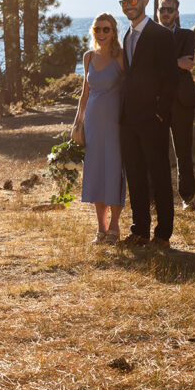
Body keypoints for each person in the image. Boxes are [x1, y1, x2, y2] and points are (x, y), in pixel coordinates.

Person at [117, 0, 177, 249]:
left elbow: (171, 80)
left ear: (144, 1)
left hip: (152, 119)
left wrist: (160, 115)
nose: (128, 5)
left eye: (133, 1)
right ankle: (139, 231)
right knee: (136, 175)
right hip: (128, 119)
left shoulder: (160, 35)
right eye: (124, 2)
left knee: (159, 176)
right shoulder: (126, 36)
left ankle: (163, 234)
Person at [73, 14, 126, 245]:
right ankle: (101, 227)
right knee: (95, 171)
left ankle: (115, 225)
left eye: (106, 29)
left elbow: (129, 89)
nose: (102, 34)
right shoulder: (88, 57)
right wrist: (77, 123)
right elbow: (84, 95)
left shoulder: (121, 56)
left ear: (114, 31)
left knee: (114, 171)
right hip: (93, 122)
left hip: (115, 122)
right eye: (98, 29)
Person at [156, 0, 195, 211]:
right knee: (157, 151)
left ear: (177, 13)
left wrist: (163, 64)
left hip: (182, 101)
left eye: (169, 10)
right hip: (157, 101)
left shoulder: (187, 35)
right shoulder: (149, 35)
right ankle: (159, 198)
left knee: (183, 151)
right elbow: (149, 68)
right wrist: (174, 63)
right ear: (157, 11)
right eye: (162, 9)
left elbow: (187, 64)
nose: (165, 13)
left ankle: (187, 197)